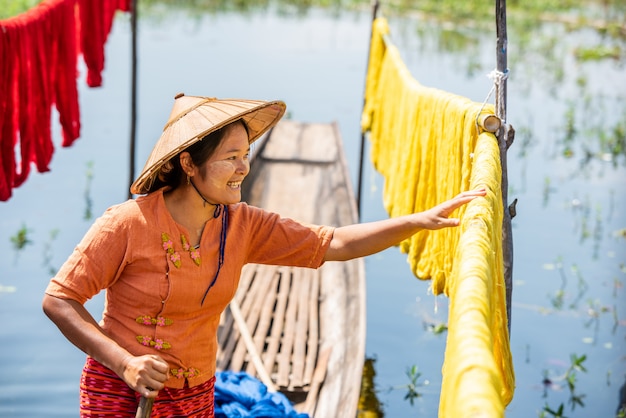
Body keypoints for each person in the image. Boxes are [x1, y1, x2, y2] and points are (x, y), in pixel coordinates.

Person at [42, 93, 486, 417]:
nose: (243, 168)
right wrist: (126, 362)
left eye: (246, 154)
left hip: (196, 392)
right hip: (123, 391)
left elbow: (332, 243)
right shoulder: (126, 223)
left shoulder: (242, 223)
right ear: (189, 165)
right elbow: (60, 299)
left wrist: (415, 222)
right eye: (230, 157)